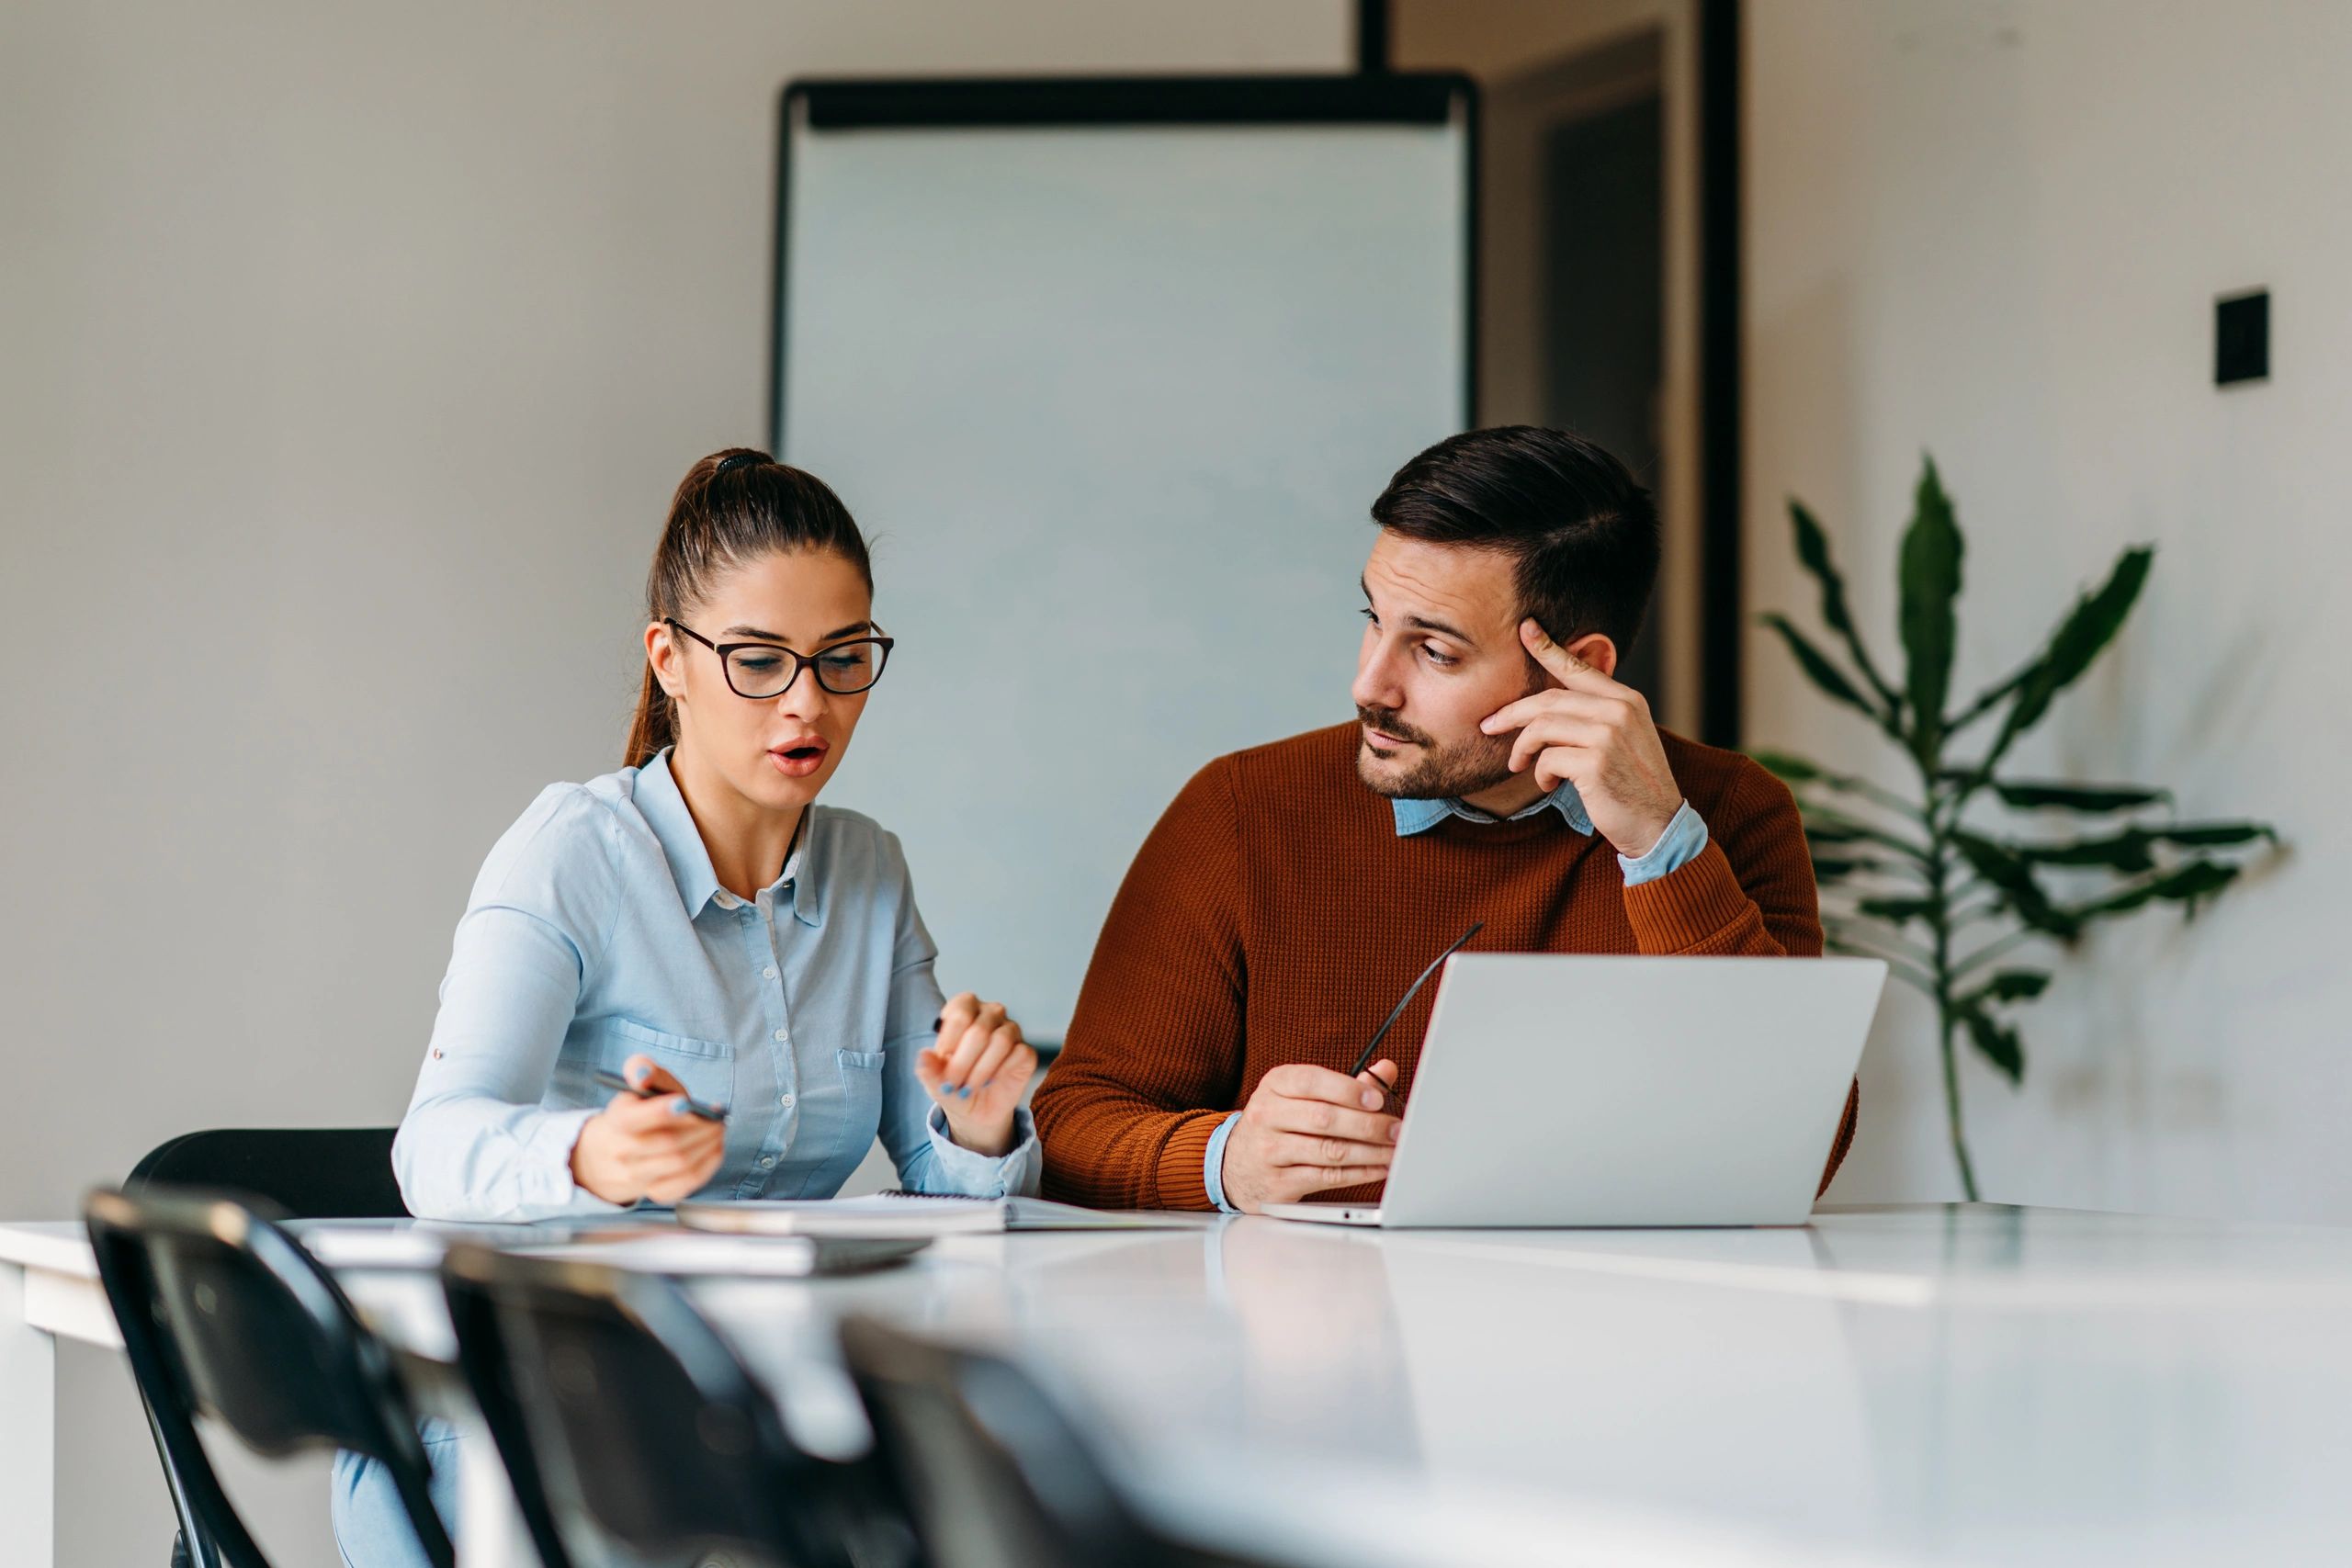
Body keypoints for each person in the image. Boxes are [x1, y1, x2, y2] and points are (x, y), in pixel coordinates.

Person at [334, 449, 1040, 1567]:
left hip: (741, 1419)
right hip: (519, 1433)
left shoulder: (869, 871)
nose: (808, 702)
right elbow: (435, 1148)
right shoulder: (571, 851)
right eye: (758, 661)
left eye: (843, 658)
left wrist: (983, 1119)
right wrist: (593, 1156)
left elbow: (938, 1170)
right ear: (671, 659)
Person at [1032, 425, 1857, 1214]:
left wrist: (1658, 844)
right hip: (1315, 1336)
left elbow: (1798, 1150)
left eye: (1435, 651)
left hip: (1613, 1331)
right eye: (1373, 621)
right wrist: (1229, 1159)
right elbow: (1070, 1129)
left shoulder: (1730, 813)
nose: (1370, 685)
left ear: (1580, 670)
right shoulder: (1244, 808)